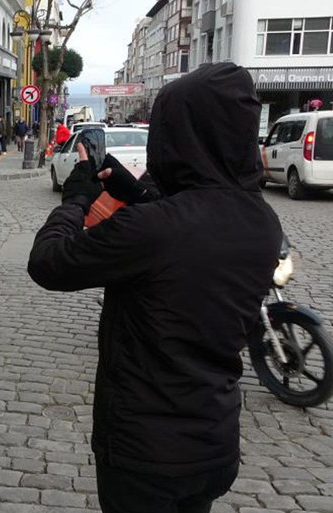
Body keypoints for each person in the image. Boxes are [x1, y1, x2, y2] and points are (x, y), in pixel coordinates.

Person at [27, 63, 282, 513]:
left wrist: (76, 199)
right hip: (213, 444)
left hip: (144, 455)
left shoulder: (153, 229)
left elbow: (49, 263)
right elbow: (193, 229)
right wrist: (138, 192)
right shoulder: (262, 221)